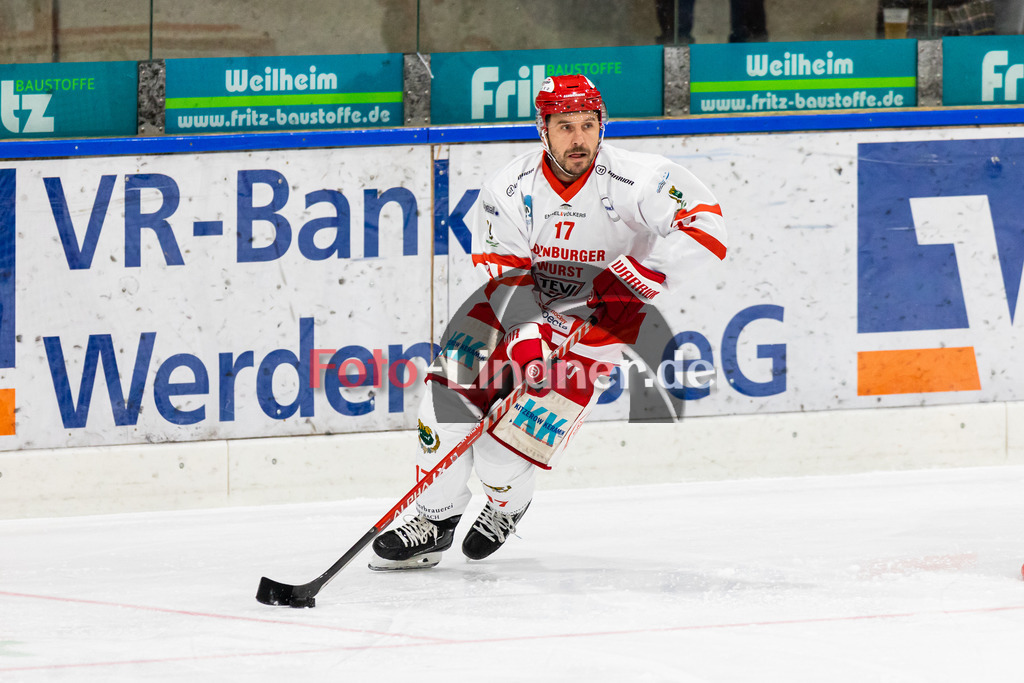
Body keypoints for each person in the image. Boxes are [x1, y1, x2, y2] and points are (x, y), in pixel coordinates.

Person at [369, 74, 727, 571]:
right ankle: (434, 519)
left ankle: (506, 506)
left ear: (602, 125)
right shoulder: (509, 188)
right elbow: (502, 271)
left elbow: (707, 227)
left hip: (592, 339)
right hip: (508, 321)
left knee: (502, 453)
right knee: (444, 401)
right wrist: (528, 336)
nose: (579, 139)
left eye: (588, 125)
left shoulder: (641, 178)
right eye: (565, 127)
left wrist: (637, 276)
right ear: (544, 129)